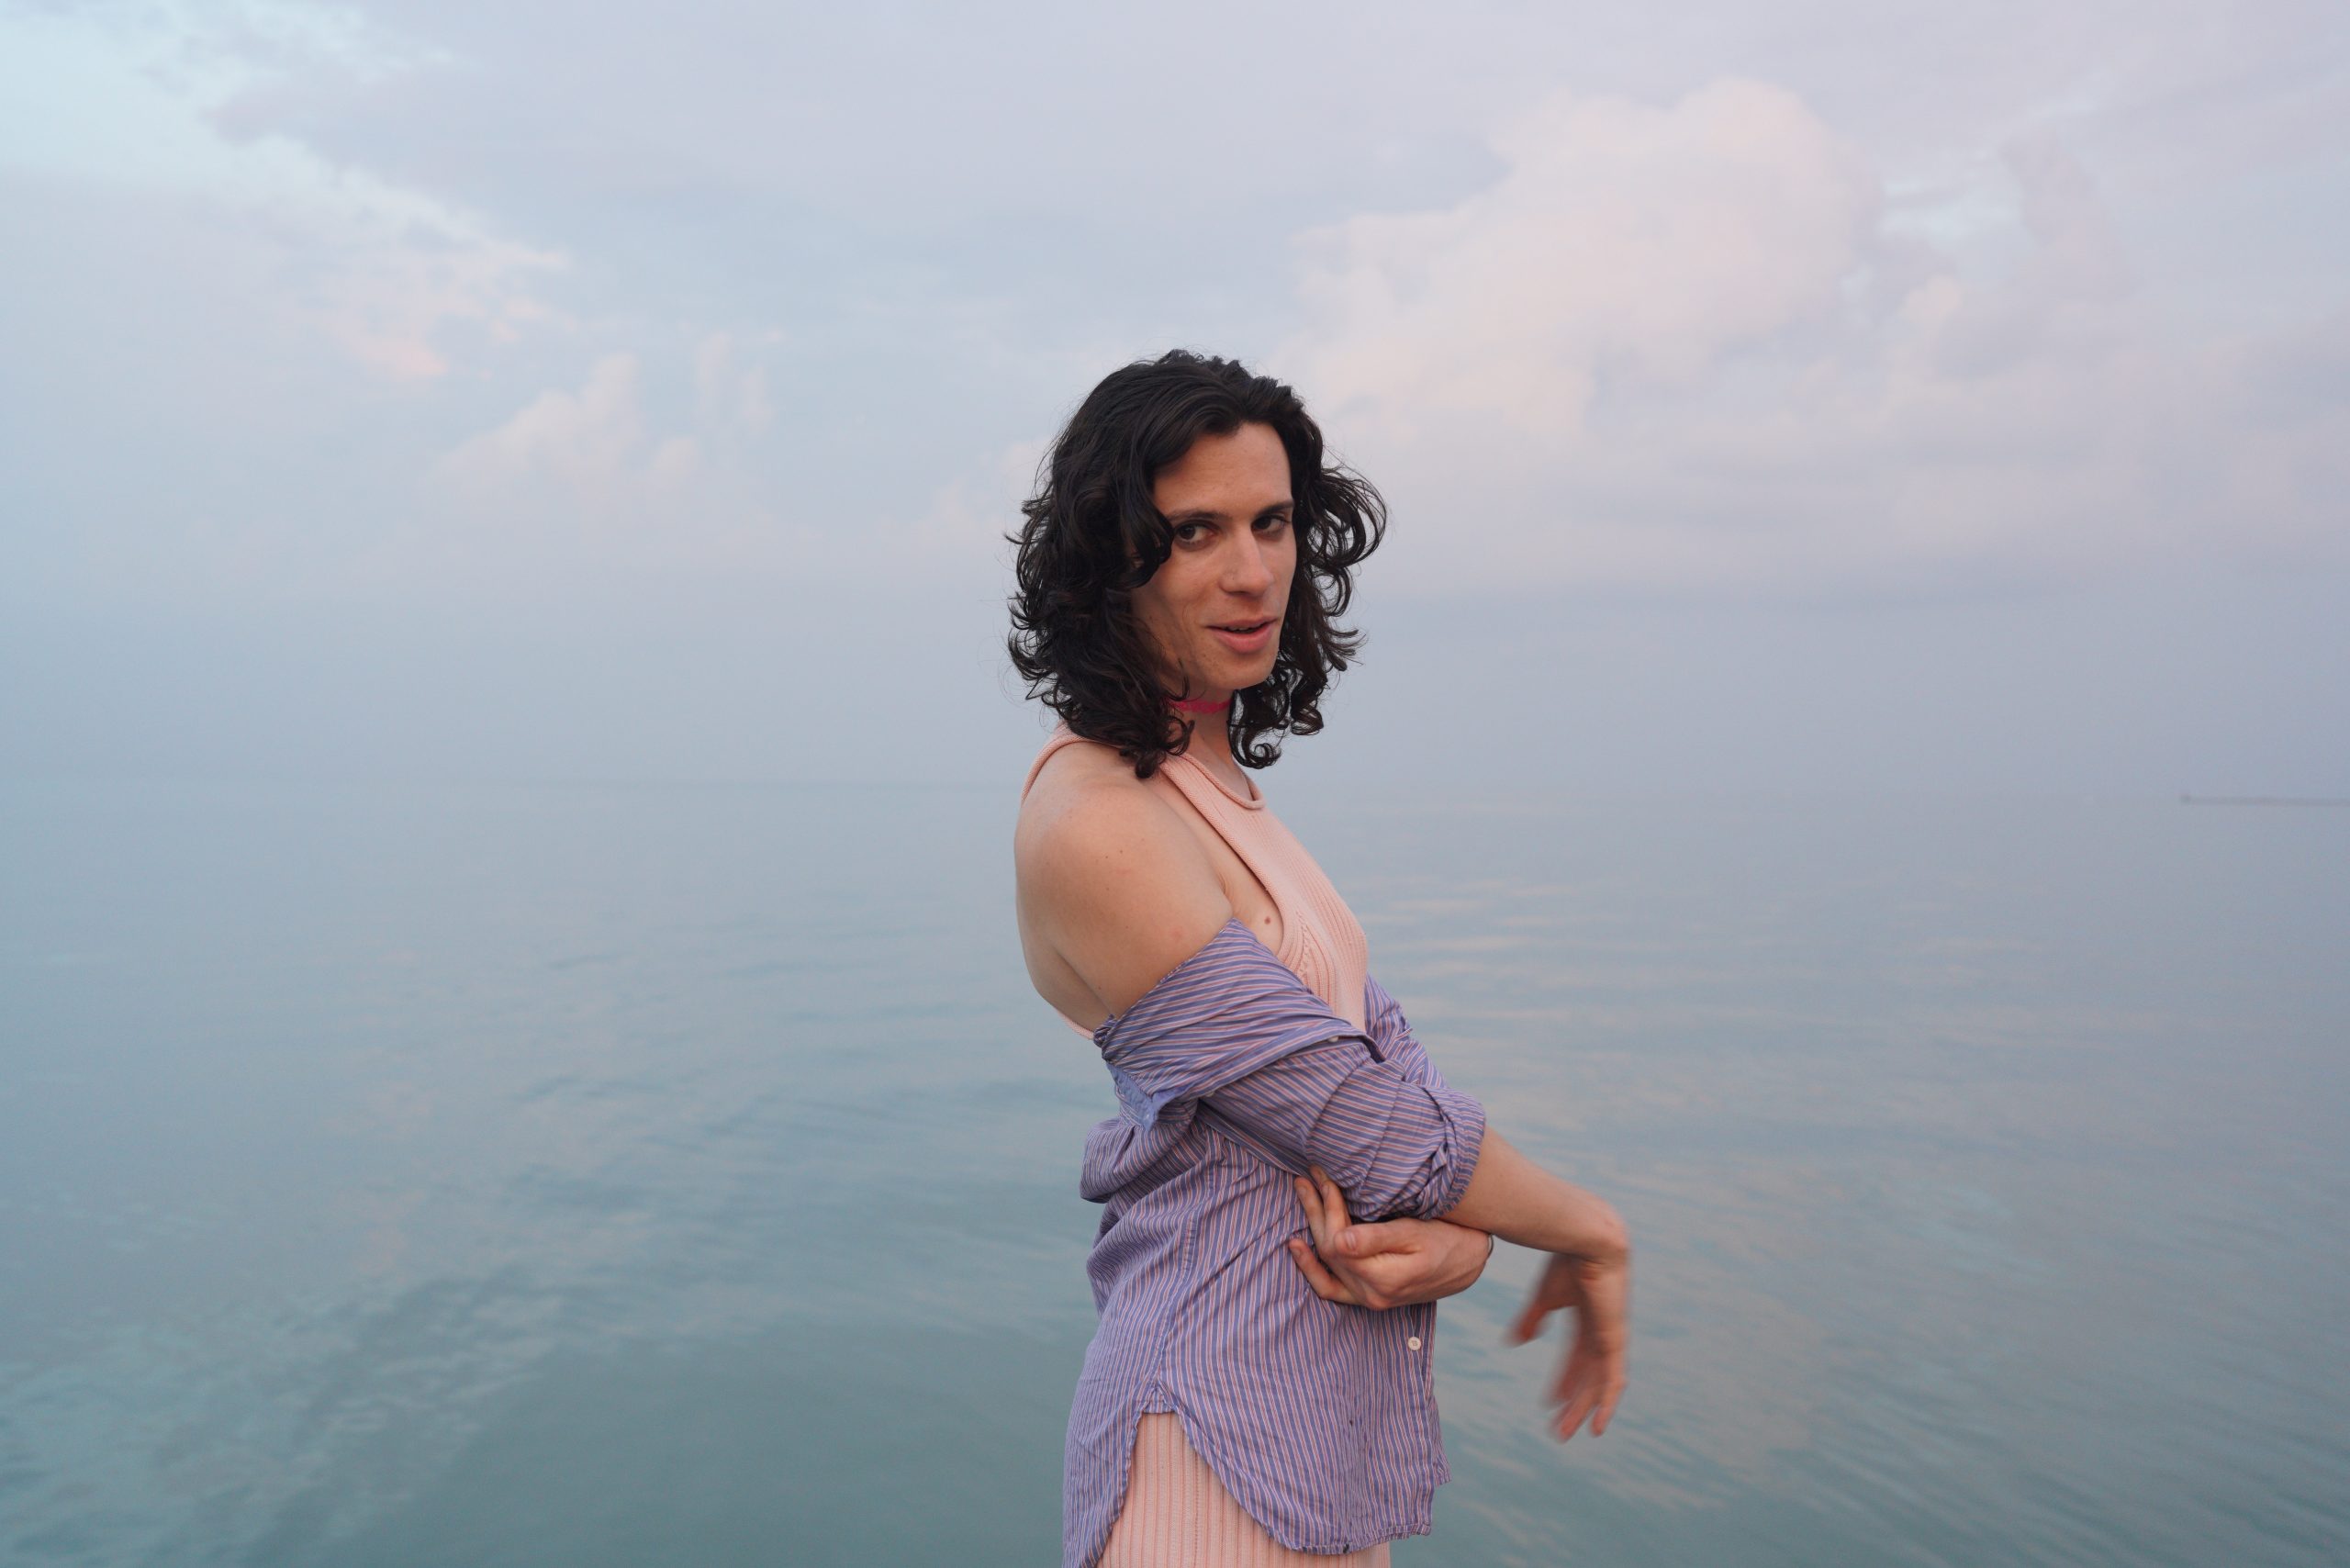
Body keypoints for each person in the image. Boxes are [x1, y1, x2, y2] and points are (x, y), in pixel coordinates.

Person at [1008, 350, 1632, 1568]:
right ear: (1107, 562)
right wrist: (1586, 1228)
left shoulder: (1198, 782)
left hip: (1307, 1453)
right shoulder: (1100, 825)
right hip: (1205, 1455)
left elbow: (1376, 1072)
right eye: (1194, 532)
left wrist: (1468, 1237)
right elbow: (1368, 1125)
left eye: (1274, 521)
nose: (1252, 572)